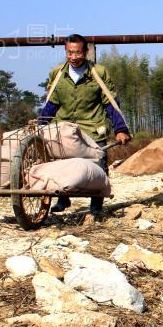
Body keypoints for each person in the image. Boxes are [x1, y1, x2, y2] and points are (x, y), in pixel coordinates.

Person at [39, 34, 131, 215]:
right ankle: (62, 199)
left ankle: (96, 206)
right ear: (66, 52)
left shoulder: (99, 72)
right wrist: (40, 125)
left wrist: (120, 129)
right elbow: (51, 104)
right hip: (64, 129)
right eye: (70, 53)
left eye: (78, 53)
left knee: (98, 168)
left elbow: (110, 103)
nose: (74, 57)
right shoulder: (58, 74)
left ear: (86, 52)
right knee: (59, 164)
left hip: (92, 128)